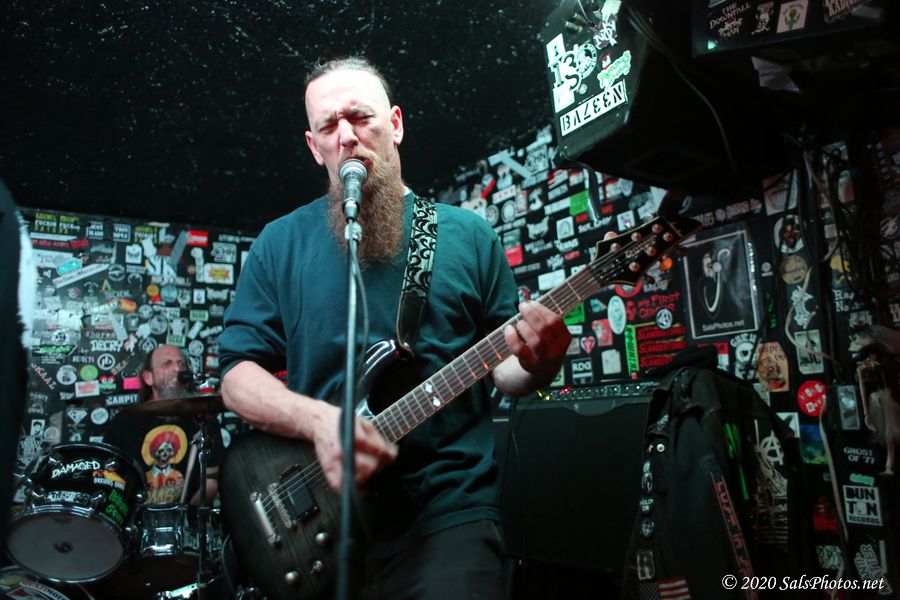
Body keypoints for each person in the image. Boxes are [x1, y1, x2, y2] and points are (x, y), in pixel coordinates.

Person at [218, 56, 570, 599]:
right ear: (314, 146)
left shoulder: (469, 236)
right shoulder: (278, 243)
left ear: (396, 124)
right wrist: (321, 423)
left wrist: (540, 360)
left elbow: (505, 371)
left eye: (361, 117)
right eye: (328, 126)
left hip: (448, 513)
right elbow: (238, 376)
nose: (347, 137)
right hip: (324, 522)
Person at [104, 344, 222, 505]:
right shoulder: (123, 423)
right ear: (148, 377)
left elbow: (210, 480)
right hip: (137, 517)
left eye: (181, 364)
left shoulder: (203, 419)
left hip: (186, 517)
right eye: (167, 364)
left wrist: (187, 515)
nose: (177, 369)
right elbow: (109, 479)